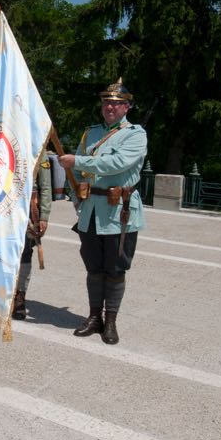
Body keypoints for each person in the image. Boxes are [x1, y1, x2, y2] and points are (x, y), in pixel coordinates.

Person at [59, 78, 147, 345]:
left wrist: (79, 161)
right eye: (107, 102)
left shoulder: (135, 134)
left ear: (127, 107)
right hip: (91, 211)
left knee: (115, 269)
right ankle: (94, 316)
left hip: (119, 213)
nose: (110, 107)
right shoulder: (91, 132)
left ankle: (111, 321)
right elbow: (75, 171)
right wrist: (76, 197)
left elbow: (117, 163)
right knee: (94, 268)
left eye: (117, 103)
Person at [12, 154, 53, 320]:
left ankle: (20, 296)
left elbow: (45, 186)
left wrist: (44, 215)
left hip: (28, 208)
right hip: (4, 205)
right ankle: (3, 294)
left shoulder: (39, 150)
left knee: (25, 254)